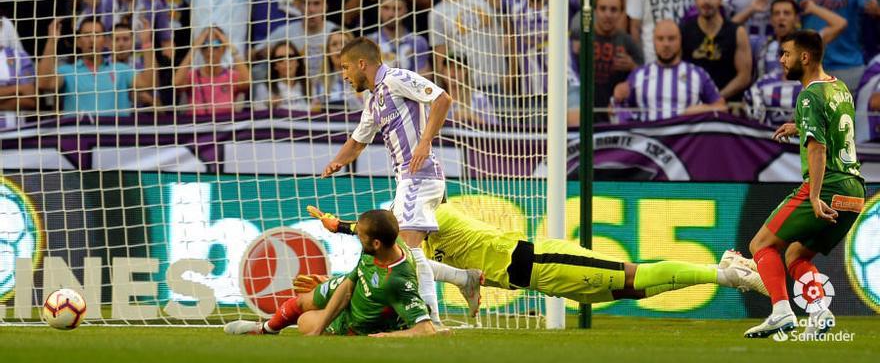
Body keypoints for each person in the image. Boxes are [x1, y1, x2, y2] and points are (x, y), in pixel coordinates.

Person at [306, 202, 767, 308]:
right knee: (632, 289)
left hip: (540, 260)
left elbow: (391, 235)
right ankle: (720, 272)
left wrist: (347, 228)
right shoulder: (419, 237)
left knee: (633, 275)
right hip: (541, 281)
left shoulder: (437, 217)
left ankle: (724, 272)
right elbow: (389, 234)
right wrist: (342, 227)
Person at [321, 37, 481, 326]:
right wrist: (338, 161)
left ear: (362, 63)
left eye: (345, 67)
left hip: (420, 174)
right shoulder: (373, 100)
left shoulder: (397, 78)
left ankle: (431, 322)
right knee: (401, 253)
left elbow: (442, 99)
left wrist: (424, 142)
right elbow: (358, 141)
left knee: (411, 250)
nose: (343, 75)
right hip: (408, 179)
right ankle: (464, 279)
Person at [745, 30, 865, 338]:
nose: (782, 60)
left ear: (805, 57)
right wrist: (798, 126)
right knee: (795, 255)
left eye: (786, 54)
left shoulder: (809, 94)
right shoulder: (838, 87)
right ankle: (819, 312)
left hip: (827, 186)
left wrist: (813, 196)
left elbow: (818, 148)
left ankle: (782, 311)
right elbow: (835, 127)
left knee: (761, 245)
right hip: (854, 192)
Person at [223, 210, 437, 337]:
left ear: (376, 243)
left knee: (304, 321)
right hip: (353, 285)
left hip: (356, 321)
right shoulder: (383, 241)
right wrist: (336, 225)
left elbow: (426, 330)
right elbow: (356, 230)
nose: (357, 237)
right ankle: (265, 329)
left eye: (360, 236)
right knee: (300, 302)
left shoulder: (397, 280)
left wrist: (389, 337)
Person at [745, 0, 846, 125]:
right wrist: (751, 9)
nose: (781, 17)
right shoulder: (760, 44)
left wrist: (814, 9)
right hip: (768, 111)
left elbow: (840, 24)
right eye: (776, 13)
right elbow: (730, 33)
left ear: (796, 18)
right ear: (771, 19)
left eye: (786, 13)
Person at [611, 20, 727, 123]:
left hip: (686, 144)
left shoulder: (697, 74)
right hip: (648, 143)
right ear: (653, 42)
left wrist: (700, 110)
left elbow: (722, 108)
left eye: (671, 39)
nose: (666, 44)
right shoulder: (638, 75)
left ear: (680, 41)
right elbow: (615, 109)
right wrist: (617, 97)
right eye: (660, 39)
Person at [37, 17, 155, 117]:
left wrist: (147, 43)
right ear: (78, 41)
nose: (92, 40)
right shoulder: (67, 71)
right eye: (87, 35)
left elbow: (148, 83)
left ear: (105, 41)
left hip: (117, 138)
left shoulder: (121, 69)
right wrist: (52, 41)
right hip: (79, 139)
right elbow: (44, 83)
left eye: (97, 35)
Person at [680, 0, 753, 102]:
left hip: (728, 105)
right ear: (695, 1)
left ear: (720, 0)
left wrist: (717, 98)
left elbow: (744, 77)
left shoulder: (737, 32)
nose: (706, 1)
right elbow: (678, 71)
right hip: (693, 104)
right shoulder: (683, 31)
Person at [173, 26, 251, 117]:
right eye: (205, 45)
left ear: (224, 48)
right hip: (198, 128)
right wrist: (194, 48)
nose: (210, 49)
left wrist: (230, 45)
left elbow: (247, 83)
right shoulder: (193, 76)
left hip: (226, 129)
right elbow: (176, 84)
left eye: (216, 44)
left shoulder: (231, 76)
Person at [592, 0, 643, 122]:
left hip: (617, 111)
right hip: (585, 108)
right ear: (595, 11)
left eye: (614, 10)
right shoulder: (582, 38)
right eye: (603, 9)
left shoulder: (628, 41)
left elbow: (645, 75)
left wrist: (632, 66)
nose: (608, 15)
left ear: (621, 13)